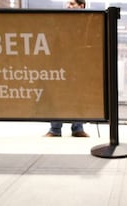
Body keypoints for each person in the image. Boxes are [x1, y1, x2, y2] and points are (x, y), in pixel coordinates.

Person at [44, 0, 89, 138]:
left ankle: (77, 128)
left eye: (72, 3)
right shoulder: (61, 21)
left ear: (81, 6)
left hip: (78, 64)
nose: (68, 6)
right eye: (68, 3)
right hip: (61, 62)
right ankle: (55, 129)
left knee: (78, 96)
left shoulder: (88, 22)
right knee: (58, 95)